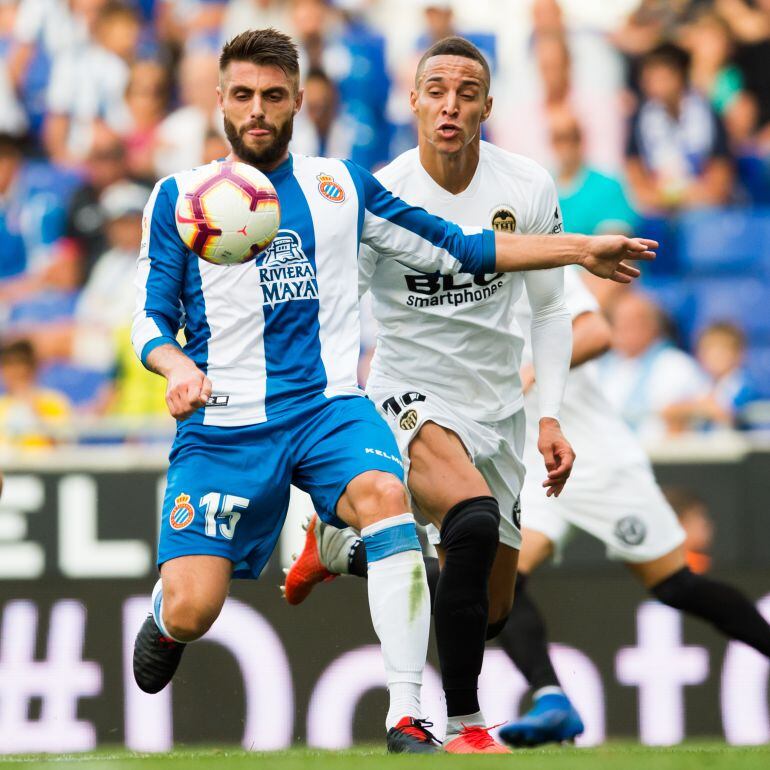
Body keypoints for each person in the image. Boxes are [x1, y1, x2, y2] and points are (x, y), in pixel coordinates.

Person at [130, 27, 654, 755]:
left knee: (417, 531)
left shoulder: (341, 187)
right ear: (220, 100)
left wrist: (580, 250)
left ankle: (407, 714)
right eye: (243, 95)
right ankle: (170, 614)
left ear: (298, 101)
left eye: (273, 96)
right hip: (225, 424)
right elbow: (148, 317)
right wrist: (176, 367)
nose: (258, 110)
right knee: (195, 609)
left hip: (326, 409)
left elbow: (464, 246)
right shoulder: (181, 197)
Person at [281, 36, 649, 753]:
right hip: (407, 392)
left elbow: (548, 311)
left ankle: (341, 548)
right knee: (473, 519)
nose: (451, 104)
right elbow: (339, 313)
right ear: (414, 100)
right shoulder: (381, 194)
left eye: (467, 92)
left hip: (499, 409)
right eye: (437, 90)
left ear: (487, 105)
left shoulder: (527, 187)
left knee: (490, 605)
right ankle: (465, 725)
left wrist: (546, 415)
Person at [489, 270, 770, 747]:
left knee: (675, 585)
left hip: (597, 459)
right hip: (533, 463)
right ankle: (551, 699)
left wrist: (534, 371)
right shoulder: (452, 273)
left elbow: (597, 332)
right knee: (500, 585)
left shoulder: (537, 260)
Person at [625, 42, 734, 213]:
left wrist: (696, 195)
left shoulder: (707, 112)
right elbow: (635, 172)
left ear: (679, 77)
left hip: (702, 205)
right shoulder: (641, 117)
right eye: (649, 79)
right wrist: (661, 197)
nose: (654, 86)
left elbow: (720, 173)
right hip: (658, 206)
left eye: (662, 78)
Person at [600, 290, 707, 439]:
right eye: (620, 321)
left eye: (636, 321)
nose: (626, 328)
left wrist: (687, 412)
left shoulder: (678, 365)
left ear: (654, 325)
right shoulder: (598, 368)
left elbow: (709, 411)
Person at [0, 339, 72, 449]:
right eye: (9, 365)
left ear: (33, 367)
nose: (15, 371)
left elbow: (63, 445)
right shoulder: (2, 405)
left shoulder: (53, 402)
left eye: (21, 364)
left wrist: (35, 410)